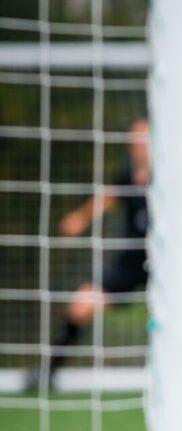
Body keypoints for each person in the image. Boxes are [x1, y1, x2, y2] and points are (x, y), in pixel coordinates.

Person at [26, 119, 150, 389]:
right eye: (135, 139)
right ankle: (47, 372)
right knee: (81, 304)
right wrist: (80, 219)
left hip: (166, 269)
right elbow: (107, 197)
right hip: (130, 265)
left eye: (144, 139)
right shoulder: (127, 177)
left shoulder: (171, 181)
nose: (139, 145)